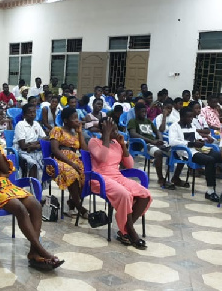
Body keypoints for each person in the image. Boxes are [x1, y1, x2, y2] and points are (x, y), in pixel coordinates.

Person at [0, 120, 64, 268]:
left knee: (36, 205)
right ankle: (42, 251)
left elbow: (6, 169)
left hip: (8, 186)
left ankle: (33, 253)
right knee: (20, 208)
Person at [88, 118, 152, 249]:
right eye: (112, 130)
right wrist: (105, 135)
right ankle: (130, 231)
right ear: (103, 131)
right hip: (100, 178)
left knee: (145, 194)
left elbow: (129, 165)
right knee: (125, 194)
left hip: (117, 176)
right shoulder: (94, 142)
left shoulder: (117, 144)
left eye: (116, 129)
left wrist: (123, 145)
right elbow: (102, 158)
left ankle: (126, 229)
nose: (116, 132)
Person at [168, 108, 222, 202]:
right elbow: (172, 142)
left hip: (198, 149)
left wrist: (202, 140)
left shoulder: (192, 126)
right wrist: (191, 144)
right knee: (210, 160)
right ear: (182, 117)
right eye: (189, 117)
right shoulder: (175, 126)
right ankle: (210, 191)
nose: (191, 119)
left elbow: (197, 137)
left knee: (221, 156)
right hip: (186, 152)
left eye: (192, 117)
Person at [48, 107, 88, 217]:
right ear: (66, 120)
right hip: (59, 160)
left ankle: (72, 204)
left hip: (75, 159)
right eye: (74, 118)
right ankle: (80, 208)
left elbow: (84, 150)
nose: (77, 120)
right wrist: (71, 163)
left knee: (85, 175)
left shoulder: (75, 134)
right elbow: (55, 150)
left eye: (77, 118)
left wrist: (80, 133)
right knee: (72, 173)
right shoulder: (57, 130)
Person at [128, 103, 173, 189]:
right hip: (142, 144)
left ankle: (172, 178)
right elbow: (133, 134)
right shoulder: (133, 121)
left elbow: (157, 132)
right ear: (136, 112)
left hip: (153, 142)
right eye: (142, 112)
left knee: (172, 151)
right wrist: (152, 141)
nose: (144, 114)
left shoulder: (148, 121)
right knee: (158, 153)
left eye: (145, 112)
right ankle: (160, 178)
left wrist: (160, 139)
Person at [14, 104, 46, 179]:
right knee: (33, 164)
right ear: (24, 115)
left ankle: (39, 187)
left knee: (45, 163)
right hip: (22, 151)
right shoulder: (20, 125)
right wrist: (38, 144)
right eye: (30, 112)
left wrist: (35, 144)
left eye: (34, 112)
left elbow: (45, 138)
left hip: (33, 149)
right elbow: (23, 146)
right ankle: (31, 186)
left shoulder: (36, 124)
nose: (32, 114)